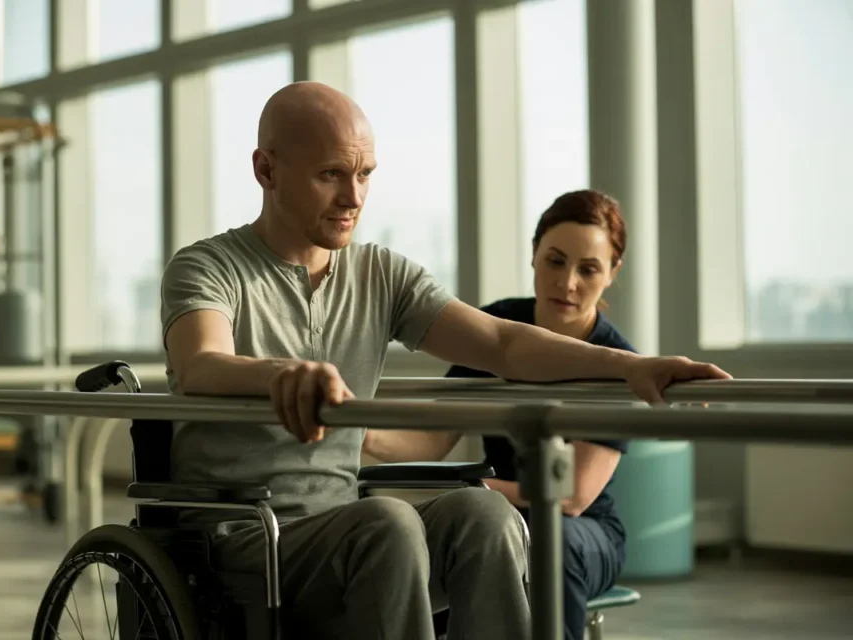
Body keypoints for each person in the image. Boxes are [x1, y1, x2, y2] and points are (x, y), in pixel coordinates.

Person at [160, 81, 730, 640]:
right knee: (387, 521)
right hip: (241, 536)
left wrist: (630, 367)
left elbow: (503, 344)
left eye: (364, 175)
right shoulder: (207, 267)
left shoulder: (381, 274)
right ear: (266, 170)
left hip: (341, 525)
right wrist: (279, 373)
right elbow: (201, 364)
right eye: (330, 174)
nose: (353, 198)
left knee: (485, 517)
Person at [444, 189, 637, 640]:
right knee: (447, 536)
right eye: (555, 261)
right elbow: (429, 438)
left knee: (554, 538)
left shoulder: (617, 359)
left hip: (585, 533)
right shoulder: (495, 329)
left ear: (612, 273)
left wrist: (474, 489)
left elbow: (572, 497)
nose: (567, 283)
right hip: (500, 517)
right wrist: (351, 429)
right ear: (534, 254)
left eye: (588, 269)